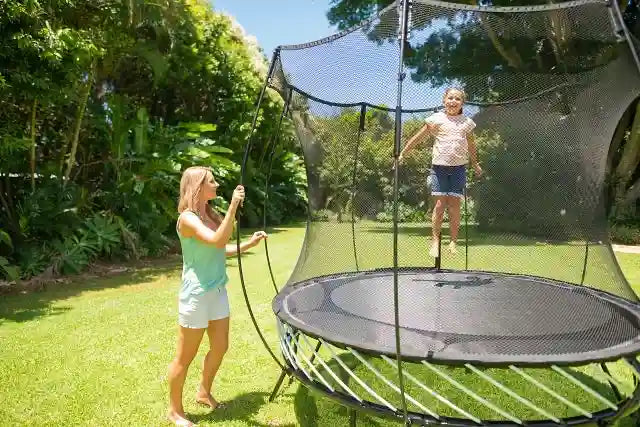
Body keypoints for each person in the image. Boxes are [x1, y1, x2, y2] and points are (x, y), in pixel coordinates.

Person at [167, 166, 267, 427]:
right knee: (185, 356)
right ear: (198, 187)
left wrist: (248, 244)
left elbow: (219, 248)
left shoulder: (209, 214)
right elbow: (215, 240)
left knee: (220, 346)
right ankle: (175, 411)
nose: (217, 185)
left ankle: (203, 392)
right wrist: (233, 206)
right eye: (212, 182)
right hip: (196, 295)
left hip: (217, 291)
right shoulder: (187, 219)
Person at [399, 88, 482, 257]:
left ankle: (453, 241)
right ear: (444, 100)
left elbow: (472, 145)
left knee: (455, 206)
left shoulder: (467, 122)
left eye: (457, 99)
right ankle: (435, 240)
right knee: (439, 206)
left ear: (462, 103)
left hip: (459, 169)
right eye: (450, 98)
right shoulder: (436, 119)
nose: (453, 101)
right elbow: (418, 137)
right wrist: (403, 153)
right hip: (439, 168)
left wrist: (476, 163)